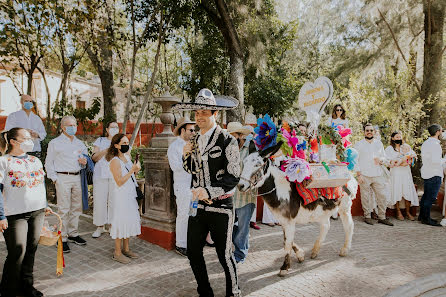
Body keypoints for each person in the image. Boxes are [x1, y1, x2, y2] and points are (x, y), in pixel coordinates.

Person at [175, 88, 241, 297]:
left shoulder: (227, 140)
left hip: (222, 207)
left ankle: (234, 292)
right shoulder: (193, 140)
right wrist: (186, 157)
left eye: (205, 112)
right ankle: (205, 291)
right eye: (197, 113)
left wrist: (208, 191)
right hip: (198, 206)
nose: (200, 117)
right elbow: (193, 171)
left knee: (224, 255)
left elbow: (234, 176)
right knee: (193, 252)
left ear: (215, 114)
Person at [0, 128, 49, 297]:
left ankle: (27, 286)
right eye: (26, 138)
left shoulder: (35, 160)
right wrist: (0, 216)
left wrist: (46, 204)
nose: (30, 140)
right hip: (14, 215)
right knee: (17, 252)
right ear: (13, 141)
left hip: (37, 212)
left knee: (31, 250)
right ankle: (8, 290)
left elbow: (40, 184)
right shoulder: (4, 161)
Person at [45, 116, 88, 253]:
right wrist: (54, 178)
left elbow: (85, 159)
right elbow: (48, 162)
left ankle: (73, 234)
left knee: (76, 207)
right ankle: (62, 238)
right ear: (63, 127)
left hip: (77, 177)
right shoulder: (55, 143)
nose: (73, 127)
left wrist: (84, 162)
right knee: (64, 208)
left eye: (75, 125)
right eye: (70, 125)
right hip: (62, 177)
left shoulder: (80, 143)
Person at [106, 133, 141, 263]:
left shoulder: (127, 158)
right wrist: (132, 170)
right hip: (120, 196)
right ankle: (117, 252)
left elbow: (131, 177)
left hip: (129, 194)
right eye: (123, 144)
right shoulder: (115, 161)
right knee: (120, 222)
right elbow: (119, 181)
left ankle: (126, 249)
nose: (126, 145)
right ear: (116, 145)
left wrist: (135, 170)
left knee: (128, 220)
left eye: (127, 143)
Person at [167, 116, 196, 257]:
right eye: (191, 130)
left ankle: (191, 242)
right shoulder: (174, 147)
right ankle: (181, 244)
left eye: (194, 130)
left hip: (195, 187)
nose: (193, 132)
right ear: (182, 129)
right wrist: (186, 156)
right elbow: (175, 167)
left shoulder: (194, 145)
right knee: (183, 215)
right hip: (182, 186)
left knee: (194, 214)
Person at [228, 122, 256, 264]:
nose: (231, 140)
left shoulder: (251, 149)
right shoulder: (229, 150)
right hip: (230, 195)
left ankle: (240, 254)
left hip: (245, 196)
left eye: (233, 136)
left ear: (240, 135)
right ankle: (236, 247)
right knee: (228, 225)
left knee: (243, 228)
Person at [354, 123, 393, 226]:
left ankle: (382, 217)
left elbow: (385, 158)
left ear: (374, 132)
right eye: (367, 130)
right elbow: (355, 160)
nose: (369, 132)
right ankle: (367, 216)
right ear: (364, 132)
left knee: (382, 196)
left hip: (377, 174)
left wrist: (381, 160)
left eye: (371, 130)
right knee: (365, 197)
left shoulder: (379, 144)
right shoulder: (358, 144)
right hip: (364, 174)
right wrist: (358, 174)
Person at [91, 121, 120, 238]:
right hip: (100, 175)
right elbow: (94, 157)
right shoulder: (100, 141)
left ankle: (112, 226)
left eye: (116, 127)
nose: (114, 129)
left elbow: (125, 157)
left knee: (114, 201)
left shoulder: (120, 141)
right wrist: (107, 149)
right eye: (112, 127)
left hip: (115, 175)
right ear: (107, 130)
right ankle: (99, 227)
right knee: (100, 200)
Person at [385, 132, 418, 221]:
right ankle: (398, 212)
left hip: (405, 172)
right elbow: (387, 161)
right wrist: (394, 162)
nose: (399, 138)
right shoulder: (389, 149)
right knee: (397, 190)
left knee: (407, 190)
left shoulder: (406, 146)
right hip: (395, 173)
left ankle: (407, 212)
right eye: (397, 137)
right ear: (392, 138)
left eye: (400, 136)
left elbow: (414, 156)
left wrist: (409, 161)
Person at [419, 124, 446, 226]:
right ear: (438, 132)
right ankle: (426, 219)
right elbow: (435, 161)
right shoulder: (435, 144)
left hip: (427, 172)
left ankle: (422, 216)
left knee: (426, 196)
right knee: (430, 198)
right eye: (441, 131)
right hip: (434, 173)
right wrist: (444, 159)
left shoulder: (426, 143)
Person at [5, 94, 47, 159]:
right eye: (26, 101)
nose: (29, 103)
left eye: (30, 101)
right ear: (21, 102)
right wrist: (23, 132)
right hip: (18, 150)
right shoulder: (13, 116)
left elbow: (43, 133)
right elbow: (8, 131)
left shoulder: (37, 118)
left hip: (34, 150)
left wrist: (37, 135)